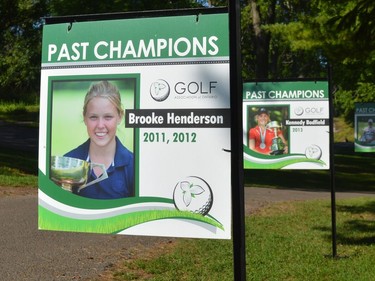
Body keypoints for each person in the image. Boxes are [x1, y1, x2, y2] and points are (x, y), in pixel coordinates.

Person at [65, 80, 134, 199]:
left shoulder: (133, 166)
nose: (100, 125)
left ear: (120, 117)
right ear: (84, 117)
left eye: (108, 117)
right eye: (93, 117)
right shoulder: (68, 163)